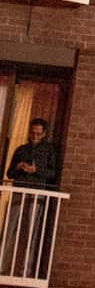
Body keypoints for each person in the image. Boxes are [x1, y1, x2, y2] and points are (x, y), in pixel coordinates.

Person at [3, 119, 59, 277]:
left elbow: (52, 173)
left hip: (37, 194)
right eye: (33, 132)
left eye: (38, 133)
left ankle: (25, 270)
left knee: (31, 233)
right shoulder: (21, 149)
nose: (35, 136)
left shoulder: (49, 150)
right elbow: (9, 174)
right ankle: (1, 264)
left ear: (45, 133)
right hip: (19, 191)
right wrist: (18, 167)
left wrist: (36, 170)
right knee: (9, 228)